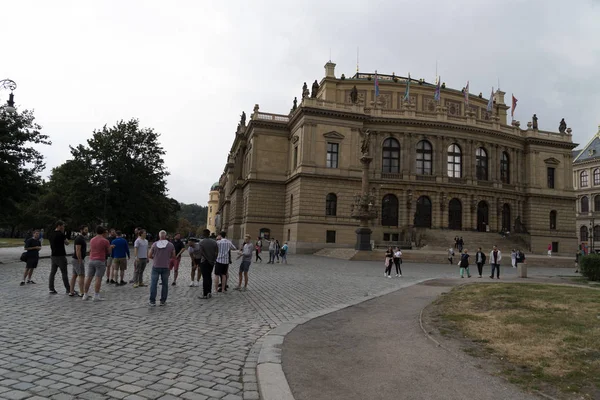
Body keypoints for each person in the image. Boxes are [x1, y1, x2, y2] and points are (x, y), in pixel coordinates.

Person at [83, 226, 114, 301]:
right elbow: (108, 252)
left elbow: (91, 249)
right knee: (98, 278)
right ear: (103, 232)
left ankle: (85, 294)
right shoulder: (105, 241)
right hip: (100, 260)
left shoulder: (92, 240)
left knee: (89, 278)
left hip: (91, 260)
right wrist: (111, 247)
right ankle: (96, 295)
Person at [148, 230, 176, 306]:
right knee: (165, 284)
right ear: (165, 236)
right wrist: (167, 257)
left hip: (156, 266)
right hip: (166, 266)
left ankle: (152, 301)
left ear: (159, 236)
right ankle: (163, 300)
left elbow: (150, 255)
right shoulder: (170, 245)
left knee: (154, 284)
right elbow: (173, 255)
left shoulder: (154, 244)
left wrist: (155, 257)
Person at [49, 220, 70, 295]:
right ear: (59, 226)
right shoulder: (61, 234)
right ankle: (68, 289)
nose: (63, 227)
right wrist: (63, 234)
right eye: (63, 226)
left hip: (53, 255)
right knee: (64, 273)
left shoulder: (51, 234)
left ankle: (51, 288)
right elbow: (67, 243)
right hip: (61, 256)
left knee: (52, 273)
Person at [196, 229, 218, 299]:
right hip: (211, 262)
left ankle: (205, 294)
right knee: (209, 276)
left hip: (204, 261)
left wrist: (206, 259)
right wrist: (214, 259)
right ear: (209, 234)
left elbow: (201, 252)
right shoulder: (214, 242)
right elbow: (216, 252)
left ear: (203, 234)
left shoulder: (201, 242)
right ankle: (209, 292)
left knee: (205, 278)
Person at [69, 225, 88, 297]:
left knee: (74, 275)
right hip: (77, 259)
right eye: (85, 230)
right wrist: (80, 260)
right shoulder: (79, 239)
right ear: (81, 230)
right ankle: (82, 292)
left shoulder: (82, 238)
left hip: (76, 259)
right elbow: (78, 250)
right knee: (81, 275)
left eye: (87, 230)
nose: (86, 232)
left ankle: (71, 291)